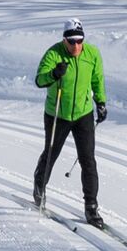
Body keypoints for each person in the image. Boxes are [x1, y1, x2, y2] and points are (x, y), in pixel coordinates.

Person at [32, 17, 108, 227]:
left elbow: (97, 80)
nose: (76, 45)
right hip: (57, 114)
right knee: (51, 154)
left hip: (83, 113)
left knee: (88, 160)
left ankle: (91, 208)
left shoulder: (92, 54)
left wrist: (101, 103)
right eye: (71, 41)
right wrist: (54, 74)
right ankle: (39, 188)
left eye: (79, 40)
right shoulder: (54, 54)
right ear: (64, 39)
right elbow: (39, 80)